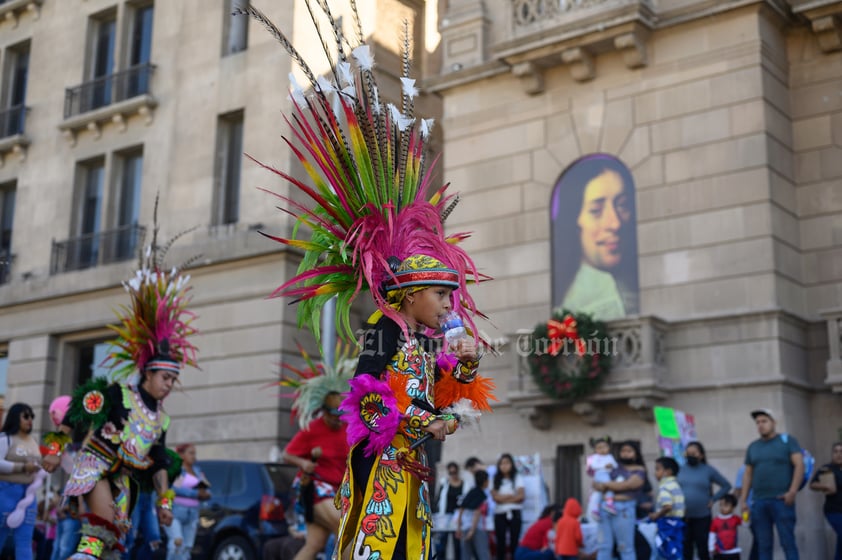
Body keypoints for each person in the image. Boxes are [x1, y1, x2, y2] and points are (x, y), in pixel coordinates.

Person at [54, 240, 198, 559]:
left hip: (125, 480)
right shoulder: (118, 394)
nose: (170, 385)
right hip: (96, 467)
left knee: (113, 547)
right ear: (147, 374)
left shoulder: (162, 419)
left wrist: (164, 504)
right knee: (98, 531)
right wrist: (53, 449)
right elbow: (77, 409)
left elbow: (159, 462)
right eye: (165, 377)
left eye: (174, 379)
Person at [551, 154, 639, 320]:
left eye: (622, 205)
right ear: (574, 221)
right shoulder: (569, 301)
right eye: (596, 210)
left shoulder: (630, 286)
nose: (615, 224)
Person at [283, 390, 349, 560]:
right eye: (333, 415)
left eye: (339, 414)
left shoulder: (347, 428)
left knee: (315, 543)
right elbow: (287, 455)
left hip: (336, 490)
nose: (337, 419)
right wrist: (304, 463)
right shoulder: (312, 429)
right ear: (324, 412)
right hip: (314, 487)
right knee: (344, 527)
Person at [738, 408, 803, 560]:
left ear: (773, 423)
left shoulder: (787, 441)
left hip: (781, 499)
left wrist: (792, 491)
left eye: (764, 421)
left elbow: (799, 465)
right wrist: (744, 500)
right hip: (759, 502)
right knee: (763, 546)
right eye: (758, 422)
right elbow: (748, 474)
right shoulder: (753, 446)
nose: (760, 425)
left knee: (788, 543)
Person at [0, 403, 50, 560]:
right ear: (15, 417)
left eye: (32, 417)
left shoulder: (33, 441)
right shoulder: (5, 438)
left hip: (28, 495)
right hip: (6, 491)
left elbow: (39, 465)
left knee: (25, 541)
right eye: (26, 416)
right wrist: (22, 467)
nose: (30, 420)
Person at [591, 440, 647, 560]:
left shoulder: (639, 470)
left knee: (625, 547)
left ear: (636, 454)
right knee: (604, 546)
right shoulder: (613, 466)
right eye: (623, 451)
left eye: (629, 451)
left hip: (624, 509)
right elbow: (596, 484)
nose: (625, 454)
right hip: (604, 508)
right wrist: (607, 486)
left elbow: (628, 485)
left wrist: (606, 486)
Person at [677, 441, 732, 560]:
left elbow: (726, 485)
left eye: (694, 453)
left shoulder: (708, 470)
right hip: (683, 516)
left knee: (703, 548)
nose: (691, 455)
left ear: (701, 455)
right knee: (686, 548)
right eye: (689, 453)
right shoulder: (679, 470)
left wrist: (713, 499)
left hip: (702, 516)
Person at [166, 443, 211, 560]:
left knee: (187, 547)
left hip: (192, 514)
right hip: (177, 512)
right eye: (190, 453)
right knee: (176, 542)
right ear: (181, 455)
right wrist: (195, 494)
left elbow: (205, 486)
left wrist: (206, 494)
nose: (193, 456)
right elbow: (176, 488)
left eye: (194, 453)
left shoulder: (197, 471)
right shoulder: (180, 471)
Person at [809, 441, 842, 560]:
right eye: (836, 451)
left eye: (841, 451)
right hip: (834, 511)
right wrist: (825, 486)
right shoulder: (826, 469)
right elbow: (812, 484)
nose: (839, 454)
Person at [649, 456, 685, 560]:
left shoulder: (665, 486)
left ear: (667, 472)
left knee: (665, 551)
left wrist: (656, 515)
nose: (655, 473)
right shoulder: (675, 485)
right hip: (677, 523)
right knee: (675, 550)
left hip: (667, 524)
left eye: (657, 469)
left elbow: (668, 506)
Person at [491, 453, 525, 560]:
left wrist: (503, 498)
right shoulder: (495, 479)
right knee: (500, 542)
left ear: (512, 464)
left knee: (514, 541)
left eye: (507, 463)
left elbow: (520, 496)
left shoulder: (517, 477)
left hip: (515, 513)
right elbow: (495, 498)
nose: (504, 466)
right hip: (500, 513)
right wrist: (510, 496)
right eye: (502, 463)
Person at [435, 461, 468, 560]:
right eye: (451, 473)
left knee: (457, 544)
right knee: (442, 543)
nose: (453, 475)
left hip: (458, 517)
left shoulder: (464, 484)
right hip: (445, 516)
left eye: (454, 472)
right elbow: (438, 499)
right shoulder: (444, 483)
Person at [457, 470, 491, 560]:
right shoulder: (482, 495)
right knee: (483, 553)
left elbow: (461, 509)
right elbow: (477, 512)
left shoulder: (471, 492)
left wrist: (459, 527)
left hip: (465, 526)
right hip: (476, 528)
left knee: (466, 554)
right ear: (485, 482)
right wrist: (472, 530)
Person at [586, 436, 617, 520]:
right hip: (600, 474)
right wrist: (604, 466)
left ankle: (596, 509)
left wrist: (612, 465)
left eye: (604, 447)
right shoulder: (595, 457)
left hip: (607, 474)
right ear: (595, 450)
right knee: (609, 486)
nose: (602, 449)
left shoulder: (610, 457)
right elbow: (593, 466)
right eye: (599, 448)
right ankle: (609, 503)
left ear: (608, 448)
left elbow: (615, 465)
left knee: (600, 492)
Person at [732, 465, 757, 560]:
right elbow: (738, 490)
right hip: (749, 510)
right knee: (759, 540)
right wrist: (729, 505)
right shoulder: (744, 469)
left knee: (760, 541)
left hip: (766, 509)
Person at [708, 494, 741, 560]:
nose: (723, 507)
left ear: (733, 507)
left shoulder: (735, 519)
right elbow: (712, 535)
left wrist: (746, 516)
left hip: (733, 552)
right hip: (719, 552)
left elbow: (746, 524)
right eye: (721, 505)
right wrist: (711, 548)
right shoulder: (715, 521)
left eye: (726, 505)